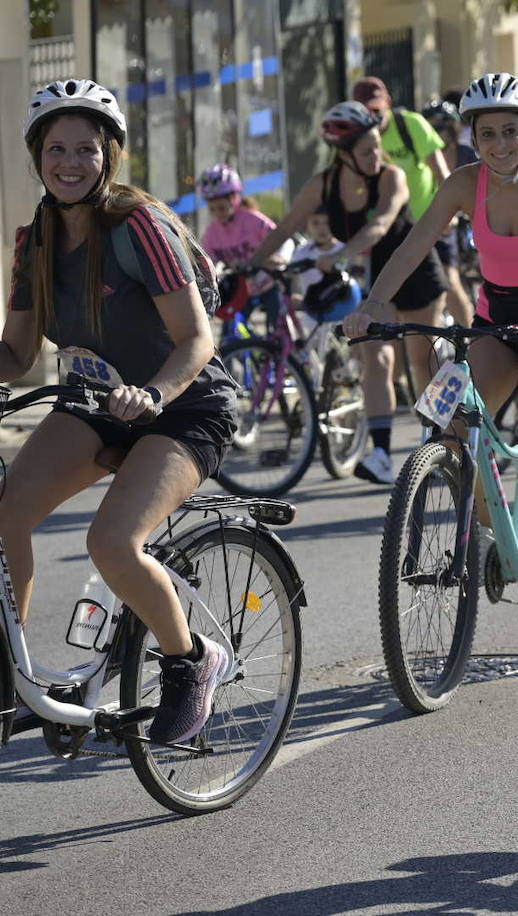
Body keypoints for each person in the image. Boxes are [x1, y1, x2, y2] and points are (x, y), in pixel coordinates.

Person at [0, 80, 239, 744]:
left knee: (110, 541)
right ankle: (9, 674)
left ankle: (192, 659)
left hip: (182, 407)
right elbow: (16, 353)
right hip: (97, 403)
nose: (69, 162)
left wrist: (155, 393)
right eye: (56, 149)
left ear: (108, 156)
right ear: (37, 156)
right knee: (5, 510)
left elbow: (197, 338)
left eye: (85, 148)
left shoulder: (140, 226)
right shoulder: (36, 240)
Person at [343, 73, 518, 582]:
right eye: (487, 134)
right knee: (452, 422)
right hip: (496, 320)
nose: (499, 144)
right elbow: (413, 247)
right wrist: (372, 305)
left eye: (510, 131)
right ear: (472, 138)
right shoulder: (464, 184)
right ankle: (492, 528)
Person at [250, 100, 448, 485]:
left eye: (377, 146)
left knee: (421, 361)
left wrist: (339, 253)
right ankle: (380, 454)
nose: (375, 155)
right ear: (343, 155)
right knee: (376, 362)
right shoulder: (324, 183)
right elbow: (287, 225)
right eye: (365, 150)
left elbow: (381, 224)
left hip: (415, 271)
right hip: (374, 281)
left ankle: (439, 444)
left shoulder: (392, 176)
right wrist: (252, 262)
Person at [354, 77, 473, 328]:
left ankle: (479, 340)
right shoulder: (359, 138)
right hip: (393, 231)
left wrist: (450, 213)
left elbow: (441, 172)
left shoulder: (411, 124)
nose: (374, 115)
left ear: (387, 102)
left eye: (377, 108)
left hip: (432, 221)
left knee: (450, 284)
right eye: (366, 110)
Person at [196, 163, 290, 337]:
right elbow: (208, 263)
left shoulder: (252, 220)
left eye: (222, 207)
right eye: (212, 209)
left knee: (278, 333)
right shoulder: (211, 233)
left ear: (235, 198)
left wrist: (280, 257)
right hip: (242, 291)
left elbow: (283, 239)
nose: (218, 213)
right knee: (229, 337)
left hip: (268, 283)